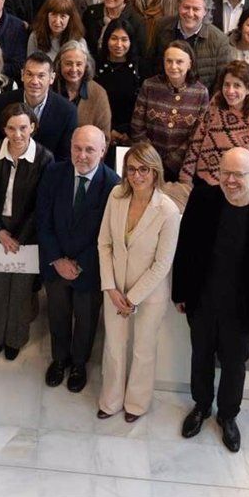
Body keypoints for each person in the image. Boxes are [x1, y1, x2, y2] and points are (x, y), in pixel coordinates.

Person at [173, 148, 249, 453]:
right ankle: (201, 406)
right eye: (225, 172)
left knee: (235, 364)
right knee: (200, 356)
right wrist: (180, 292)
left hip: (242, 307)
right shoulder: (202, 200)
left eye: (239, 174)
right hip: (203, 300)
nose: (231, 180)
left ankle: (227, 416)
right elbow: (184, 248)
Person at [95, 142, 181, 423]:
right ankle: (110, 401)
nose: (137, 175)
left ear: (155, 172)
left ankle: (137, 404)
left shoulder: (168, 211)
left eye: (144, 169)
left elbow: (162, 264)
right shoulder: (116, 196)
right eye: (131, 169)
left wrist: (132, 298)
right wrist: (110, 286)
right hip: (115, 290)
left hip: (149, 295)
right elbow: (104, 243)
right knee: (114, 347)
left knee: (143, 349)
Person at [37, 125, 119, 392]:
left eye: (89, 150)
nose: (82, 155)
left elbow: (107, 234)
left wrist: (80, 263)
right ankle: (60, 360)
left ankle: (79, 364)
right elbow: (43, 219)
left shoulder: (113, 185)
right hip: (56, 263)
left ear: (103, 151)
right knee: (58, 315)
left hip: (90, 267)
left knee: (86, 319)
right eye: (77, 148)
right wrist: (57, 259)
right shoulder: (54, 172)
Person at [0, 103, 51, 360]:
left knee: (21, 292)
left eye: (23, 127)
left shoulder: (45, 158)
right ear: (4, 129)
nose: (17, 134)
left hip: (26, 236)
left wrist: (19, 237)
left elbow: (41, 206)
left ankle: (15, 339)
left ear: (32, 127)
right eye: (11, 128)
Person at [182, 60, 249, 189]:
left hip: (235, 187)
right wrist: (185, 176)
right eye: (227, 85)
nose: (230, 91)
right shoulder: (216, 103)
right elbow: (198, 139)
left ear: (248, 89)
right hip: (204, 181)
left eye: (237, 85)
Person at [132, 40, 210, 181]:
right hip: (147, 164)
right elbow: (137, 126)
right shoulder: (149, 85)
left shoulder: (201, 92)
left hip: (181, 168)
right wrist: (151, 159)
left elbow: (197, 136)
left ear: (190, 64)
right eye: (169, 61)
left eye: (179, 62)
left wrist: (171, 163)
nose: (173, 66)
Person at [150, 0, 232, 90]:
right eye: (186, 7)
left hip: (201, 101)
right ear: (178, 6)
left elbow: (222, 81)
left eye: (196, 9)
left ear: (205, 11)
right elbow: (152, 65)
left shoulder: (220, 40)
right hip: (164, 94)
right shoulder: (162, 27)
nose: (190, 13)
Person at [57, 40, 112, 143]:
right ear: (60, 65)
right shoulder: (50, 89)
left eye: (79, 64)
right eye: (68, 64)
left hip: (84, 156)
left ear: (86, 66)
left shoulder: (99, 93)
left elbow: (104, 138)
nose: (74, 69)